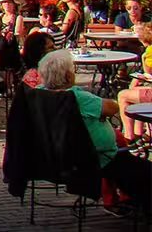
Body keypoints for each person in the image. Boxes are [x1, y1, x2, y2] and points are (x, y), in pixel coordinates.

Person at [39, 49, 152, 213]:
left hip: (54, 156)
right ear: (69, 76)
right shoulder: (76, 97)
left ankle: (125, 201)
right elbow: (112, 107)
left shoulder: (40, 94)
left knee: (130, 167)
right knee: (143, 172)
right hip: (93, 157)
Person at [118, 25, 152, 143]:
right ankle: (140, 133)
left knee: (122, 95)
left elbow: (148, 73)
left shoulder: (150, 51)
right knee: (136, 88)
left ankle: (129, 137)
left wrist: (143, 58)